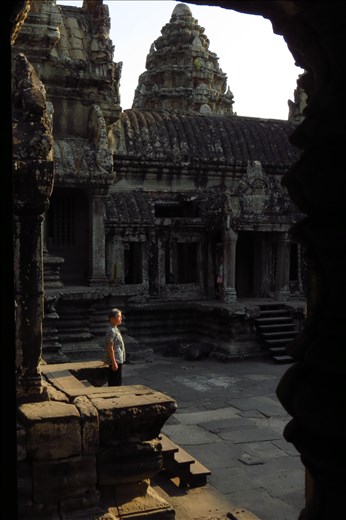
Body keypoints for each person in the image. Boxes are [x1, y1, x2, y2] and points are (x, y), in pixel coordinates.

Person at [104, 308, 126, 386]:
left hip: (117, 359)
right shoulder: (111, 331)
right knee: (115, 382)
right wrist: (113, 362)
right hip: (115, 359)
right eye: (119, 316)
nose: (121, 318)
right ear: (112, 318)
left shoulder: (115, 329)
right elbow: (110, 347)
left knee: (117, 380)